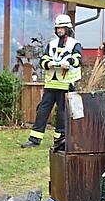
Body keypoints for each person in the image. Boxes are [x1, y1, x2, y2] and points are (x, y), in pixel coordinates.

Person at [21, 14, 82, 148]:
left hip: (66, 85)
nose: (59, 30)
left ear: (68, 29)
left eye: (62, 28)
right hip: (51, 84)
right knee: (42, 111)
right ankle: (34, 139)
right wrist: (48, 64)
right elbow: (43, 60)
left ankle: (60, 140)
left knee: (62, 114)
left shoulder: (74, 44)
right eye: (58, 28)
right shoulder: (52, 44)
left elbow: (78, 59)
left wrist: (69, 62)